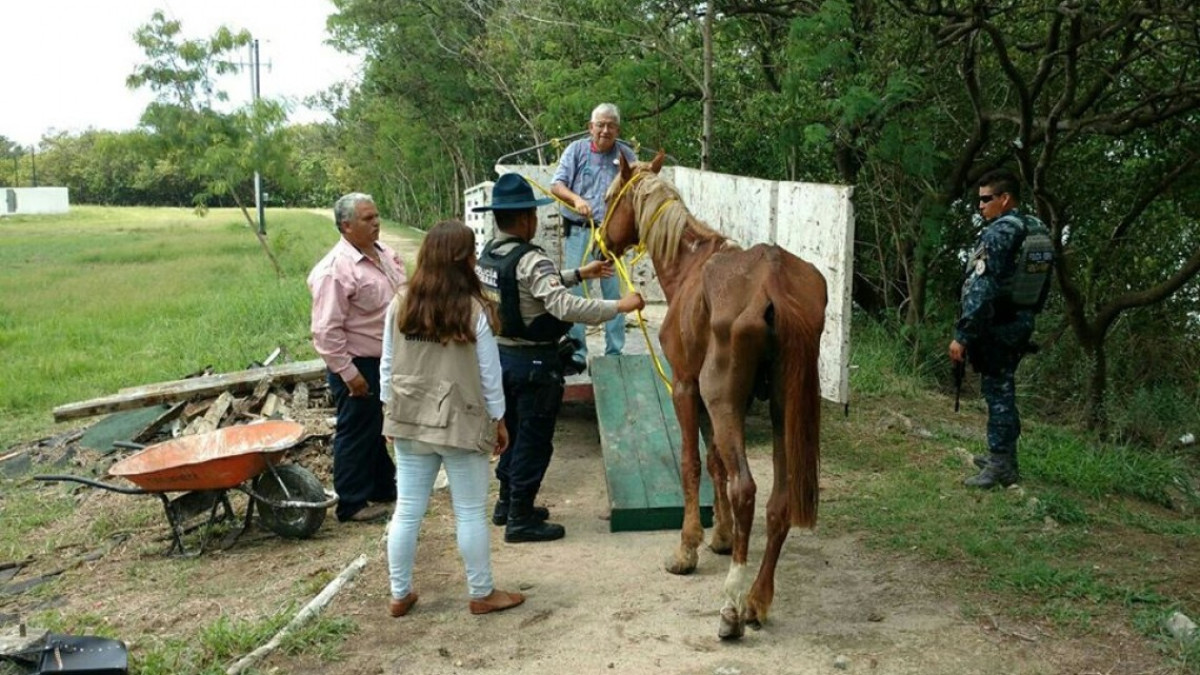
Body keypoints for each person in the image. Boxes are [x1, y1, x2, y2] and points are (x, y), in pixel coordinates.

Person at [474, 173, 645, 542]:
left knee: (512, 435)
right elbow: (561, 305)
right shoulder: (532, 260)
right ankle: (521, 518)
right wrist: (619, 306)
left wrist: (578, 273)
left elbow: (533, 288)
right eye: (533, 216)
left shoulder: (489, 255)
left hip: (502, 359)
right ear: (524, 219)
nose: (535, 222)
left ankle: (507, 504)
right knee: (533, 442)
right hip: (535, 364)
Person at [380, 219, 525, 617]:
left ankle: (399, 593)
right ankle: (481, 592)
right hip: (460, 422)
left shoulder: (400, 302)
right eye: (472, 251)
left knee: (407, 509)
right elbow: (488, 374)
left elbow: (388, 364)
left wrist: (387, 411)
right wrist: (498, 419)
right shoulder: (473, 310)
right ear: (462, 259)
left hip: (408, 415)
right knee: (470, 512)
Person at [950, 169, 1053, 489]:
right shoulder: (1036, 228)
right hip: (1020, 320)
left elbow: (982, 287)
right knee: (1003, 388)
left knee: (998, 393)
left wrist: (962, 335)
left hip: (999, 325)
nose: (980, 206)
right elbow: (1043, 283)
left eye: (985, 199)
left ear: (1004, 199)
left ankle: (1001, 464)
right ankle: (1004, 456)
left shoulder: (1000, 232)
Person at [308, 192, 406, 522]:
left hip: (386, 358)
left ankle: (381, 487)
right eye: (368, 218)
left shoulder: (385, 255)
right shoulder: (335, 270)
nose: (376, 222)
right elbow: (325, 331)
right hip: (358, 362)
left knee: (373, 425)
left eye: (377, 216)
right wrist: (348, 373)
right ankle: (351, 502)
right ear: (346, 226)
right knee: (357, 429)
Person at [551, 102, 639, 374]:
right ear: (590, 127)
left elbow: (637, 191)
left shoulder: (626, 155)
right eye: (600, 124)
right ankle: (578, 352)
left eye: (610, 125)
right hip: (580, 232)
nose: (605, 130)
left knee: (614, 293)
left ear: (618, 129)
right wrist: (577, 200)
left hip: (612, 240)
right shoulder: (576, 150)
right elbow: (556, 185)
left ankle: (614, 353)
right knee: (576, 292)